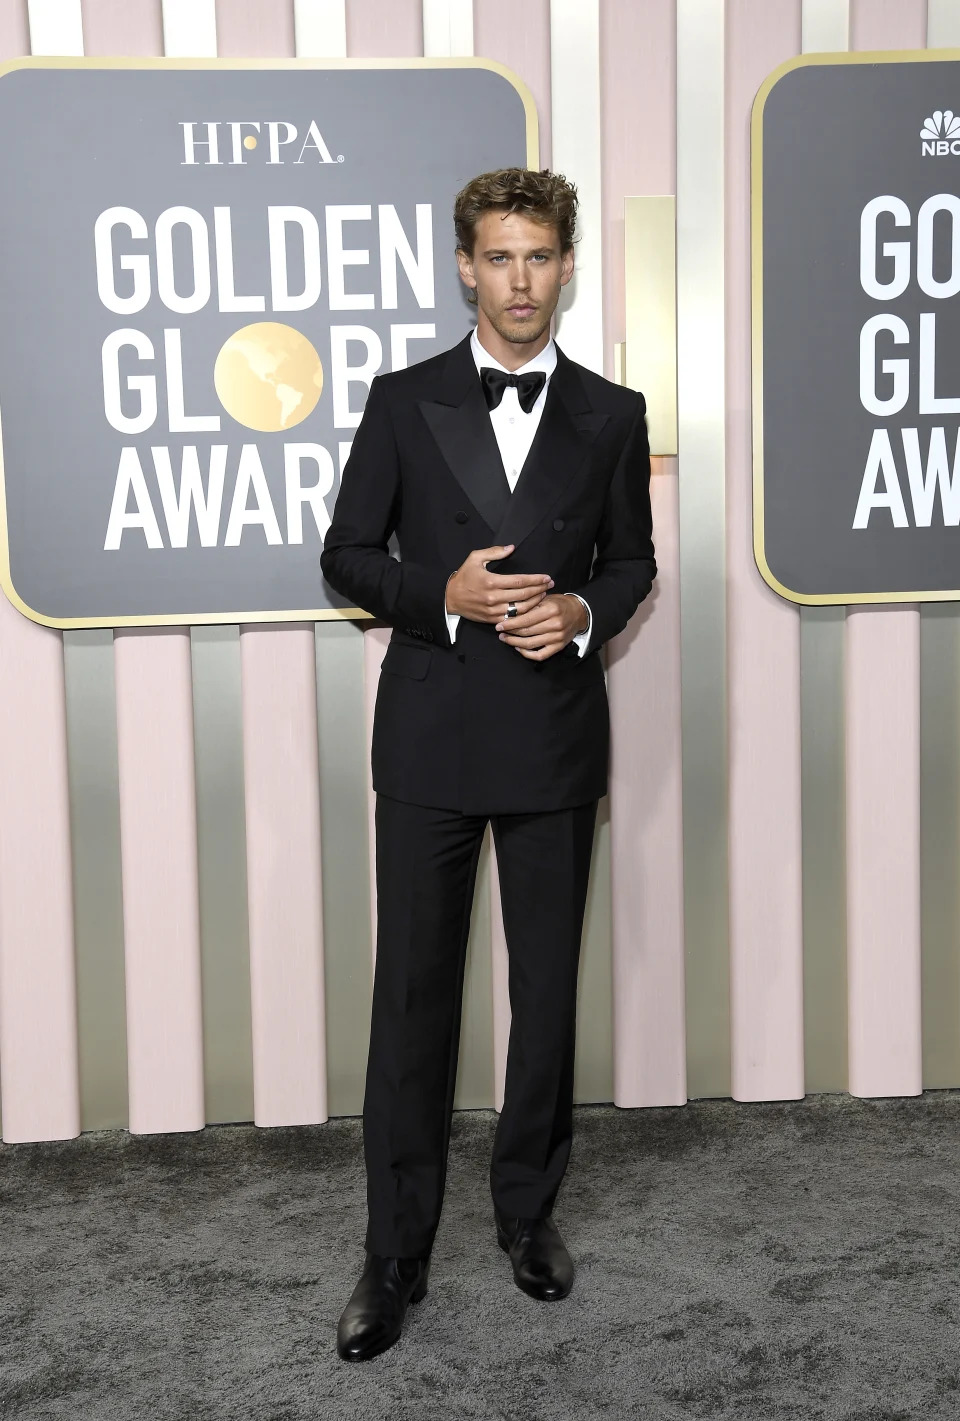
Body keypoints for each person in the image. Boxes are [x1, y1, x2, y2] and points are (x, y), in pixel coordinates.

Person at [320, 167, 656, 1363]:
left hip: (554, 735)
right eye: (499, 258)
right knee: (411, 999)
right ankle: (392, 1251)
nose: (521, 281)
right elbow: (347, 555)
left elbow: (632, 567)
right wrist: (444, 596)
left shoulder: (614, 413)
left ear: (568, 266)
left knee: (545, 994)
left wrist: (573, 608)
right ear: (467, 266)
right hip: (428, 738)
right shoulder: (404, 401)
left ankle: (528, 1214)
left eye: (541, 257)